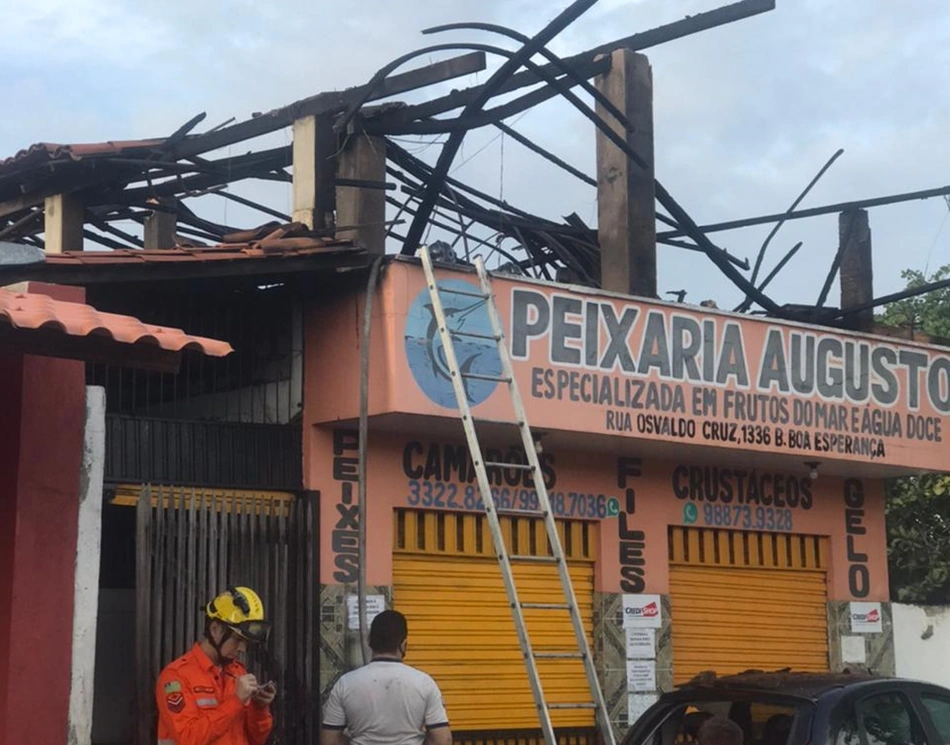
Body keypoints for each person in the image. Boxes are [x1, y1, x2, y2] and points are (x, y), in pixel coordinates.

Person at [156, 586, 277, 745]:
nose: (242, 648)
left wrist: (259, 708)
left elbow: (256, 738)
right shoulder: (175, 677)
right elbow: (189, 738)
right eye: (237, 639)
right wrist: (235, 701)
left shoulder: (237, 672)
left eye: (246, 642)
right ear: (215, 629)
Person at [321, 609, 452, 745]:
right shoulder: (424, 683)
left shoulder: (345, 683)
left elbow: (329, 740)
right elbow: (443, 740)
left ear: (369, 641)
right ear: (404, 644)